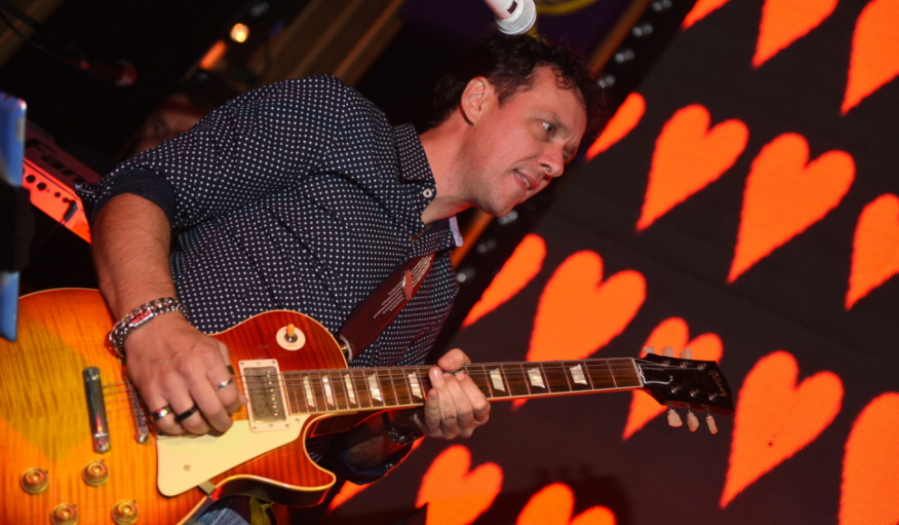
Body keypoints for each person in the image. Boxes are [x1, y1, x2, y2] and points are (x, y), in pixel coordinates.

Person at [76, 33, 606, 524]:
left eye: (567, 154)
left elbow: (338, 452)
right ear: (478, 99)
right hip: (91, 394)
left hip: (205, 499)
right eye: (547, 128)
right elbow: (141, 189)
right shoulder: (337, 120)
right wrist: (152, 326)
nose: (556, 165)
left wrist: (407, 424)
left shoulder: (436, 285)